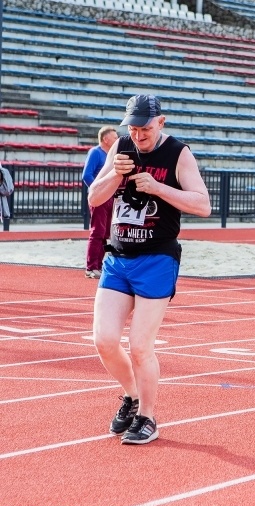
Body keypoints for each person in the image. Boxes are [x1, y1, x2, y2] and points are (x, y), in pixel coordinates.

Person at [87, 94, 211, 444]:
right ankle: (132, 394)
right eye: (134, 128)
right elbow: (95, 197)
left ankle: (148, 417)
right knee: (105, 340)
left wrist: (158, 187)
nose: (139, 136)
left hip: (157, 258)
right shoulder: (122, 146)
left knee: (140, 345)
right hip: (118, 257)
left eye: (145, 128)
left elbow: (203, 204)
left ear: (161, 122)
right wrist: (114, 175)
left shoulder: (178, 153)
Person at [82, 126, 119, 279]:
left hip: (109, 197)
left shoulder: (110, 156)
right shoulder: (96, 152)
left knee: (105, 233)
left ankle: (99, 265)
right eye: (115, 137)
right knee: (97, 231)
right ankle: (91, 267)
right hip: (100, 198)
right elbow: (87, 175)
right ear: (106, 139)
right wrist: (97, 191)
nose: (117, 140)